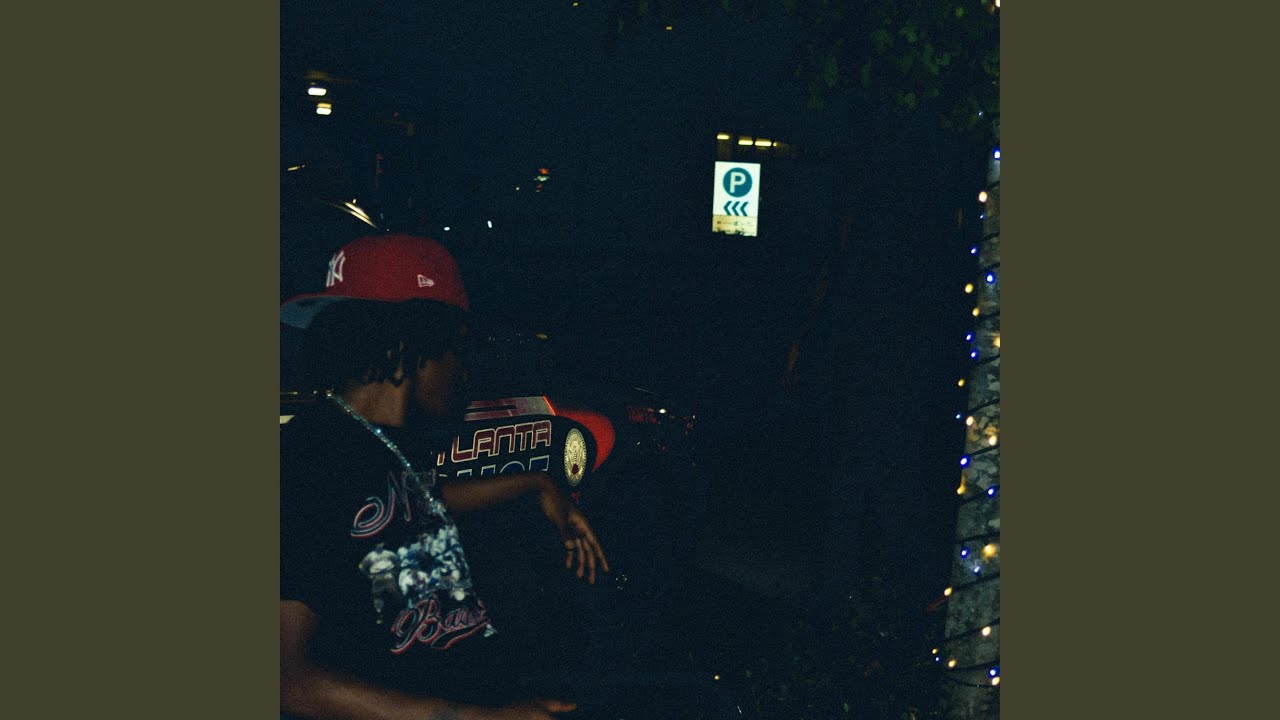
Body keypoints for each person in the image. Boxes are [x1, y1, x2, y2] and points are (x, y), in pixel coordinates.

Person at [280, 234, 609, 719]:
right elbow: (285, 679)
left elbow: (411, 503)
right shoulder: (305, 460)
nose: (463, 371)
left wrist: (537, 483)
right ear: (411, 344)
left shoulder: (382, 442)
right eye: (455, 349)